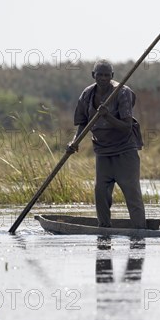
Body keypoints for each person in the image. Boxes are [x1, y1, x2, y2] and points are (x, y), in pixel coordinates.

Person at [67, 60, 146, 228]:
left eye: (106, 75)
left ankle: (140, 231)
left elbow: (126, 127)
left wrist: (107, 116)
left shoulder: (122, 92)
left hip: (124, 150)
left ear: (112, 76)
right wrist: (75, 141)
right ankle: (104, 230)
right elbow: (83, 123)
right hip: (102, 151)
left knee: (132, 192)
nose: (103, 78)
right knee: (101, 193)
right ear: (93, 75)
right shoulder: (87, 94)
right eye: (99, 75)